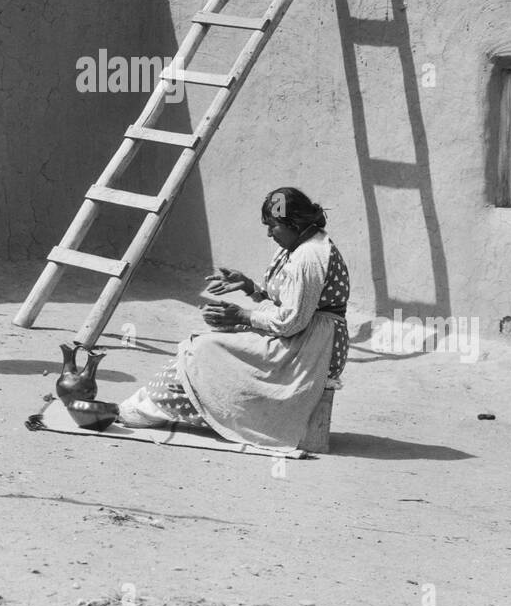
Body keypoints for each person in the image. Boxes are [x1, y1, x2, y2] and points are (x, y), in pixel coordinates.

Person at [117, 187, 349, 449]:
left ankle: (146, 410)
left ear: (292, 222)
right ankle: (141, 406)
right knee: (212, 342)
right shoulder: (297, 245)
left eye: (272, 226)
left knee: (206, 348)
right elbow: (286, 305)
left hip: (313, 350)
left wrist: (242, 315)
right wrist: (249, 287)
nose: (269, 233)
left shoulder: (309, 256)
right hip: (302, 339)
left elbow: (291, 321)